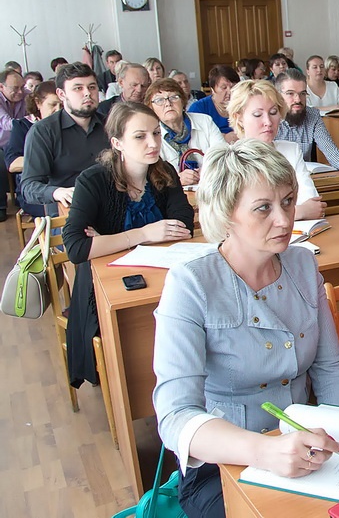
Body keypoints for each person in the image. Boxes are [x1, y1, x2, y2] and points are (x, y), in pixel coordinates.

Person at [153, 139, 339, 518]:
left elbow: (329, 368)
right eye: (264, 208)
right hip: (225, 463)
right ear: (227, 213)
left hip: (308, 445)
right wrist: (263, 451)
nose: (284, 219)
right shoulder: (190, 284)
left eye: (289, 201)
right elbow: (175, 416)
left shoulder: (303, 264)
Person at [64, 101, 194, 387]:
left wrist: (107, 240)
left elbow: (183, 223)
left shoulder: (165, 171)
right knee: (134, 346)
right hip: (105, 285)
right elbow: (76, 248)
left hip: (164, 272)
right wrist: (144, 234)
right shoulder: (93, 181)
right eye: (140, 136)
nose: (153, 143)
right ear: (117, 143)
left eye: (157, 133)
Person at [228, 80, 328, 220]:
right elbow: (235, 219)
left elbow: (313, 205)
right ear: (238, 118)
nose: (268, 122)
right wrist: (299, 212)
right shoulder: (227, 160)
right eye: (258, 115)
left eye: (273, 112)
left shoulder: (291, 150)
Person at [22, 63, 110, 214]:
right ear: (61, 94)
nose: (87, 93)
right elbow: (28, 186)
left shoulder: (110, 125)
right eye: (78, 88)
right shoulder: (43, 131)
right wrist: (57, 192)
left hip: (110, 206)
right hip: (67, 211)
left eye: (92, 87)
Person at [274, 69, 339, 173]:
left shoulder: (313, 116)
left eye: (302, 93)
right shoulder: (269, 119)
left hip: (304, 179)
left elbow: (330, 150)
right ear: (278, 95)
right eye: (290, 94)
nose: (298, 99)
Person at [146, 78, 226, 186]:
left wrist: (207, 171)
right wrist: (176, 179)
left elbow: (223, 154)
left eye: (173, 97)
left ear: (183, 101)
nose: (168, 104)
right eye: (159, 100)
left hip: (211, 187)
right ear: (151, 108)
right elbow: (152, 176)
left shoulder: (204, 121)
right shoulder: (151, 135)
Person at [5, 80, 60, 217]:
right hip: (35, 191)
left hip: (63, 184)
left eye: (63, 105)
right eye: (53, 104)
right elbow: (12, 164)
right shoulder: (22, 126)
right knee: (61, 210)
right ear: (38, 103)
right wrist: (47, 159)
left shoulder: (67, 126)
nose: (58, 110)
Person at [0, 68, 27, 219]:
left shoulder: (26, 95)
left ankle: (22, 195)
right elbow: (6, 123)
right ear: (1, 87)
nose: (20, 92)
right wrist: (28, 122)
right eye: (15, 88)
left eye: (22, 87)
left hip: (19, 140)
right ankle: (1, 205)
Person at [188, 65, 239, 143]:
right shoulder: (199, 108)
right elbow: (194, 137)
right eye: (224, 87)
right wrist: (223, 137)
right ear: (212, 89)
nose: (230, 92)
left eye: (233, 87)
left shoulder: (243, 104)